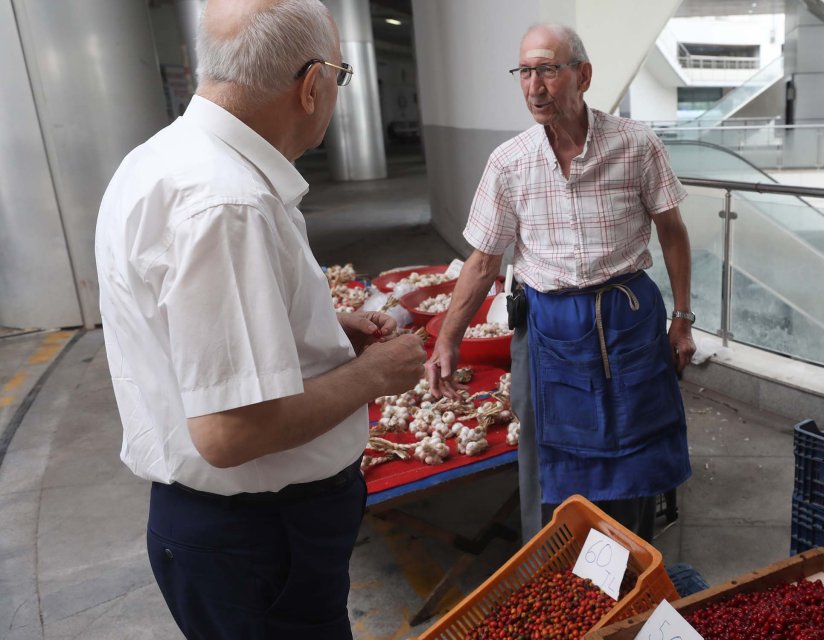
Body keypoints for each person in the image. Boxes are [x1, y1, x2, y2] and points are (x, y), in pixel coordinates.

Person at [95, 0, 425, 637]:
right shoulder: (226, 203)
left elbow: (187, 334)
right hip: (258, 540)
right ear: (311, 85)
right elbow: (230, 434)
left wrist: (320, 334)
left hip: (231, 534)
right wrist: (376, 374)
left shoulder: (162, 159)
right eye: (340, 77)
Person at [426, 23, 695, 542]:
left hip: (627, 319)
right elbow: (483, 263)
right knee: (549, 453)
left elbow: (673, 234)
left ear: (583, 75)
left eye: (548, 69)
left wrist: (682, 318)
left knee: (632, 446)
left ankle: (630, 566)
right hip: (549, 327)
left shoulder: (636, 145)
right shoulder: (509, 163)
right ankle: (557, 569)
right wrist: (447, 339)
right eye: (525, 72)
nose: (534, 86)